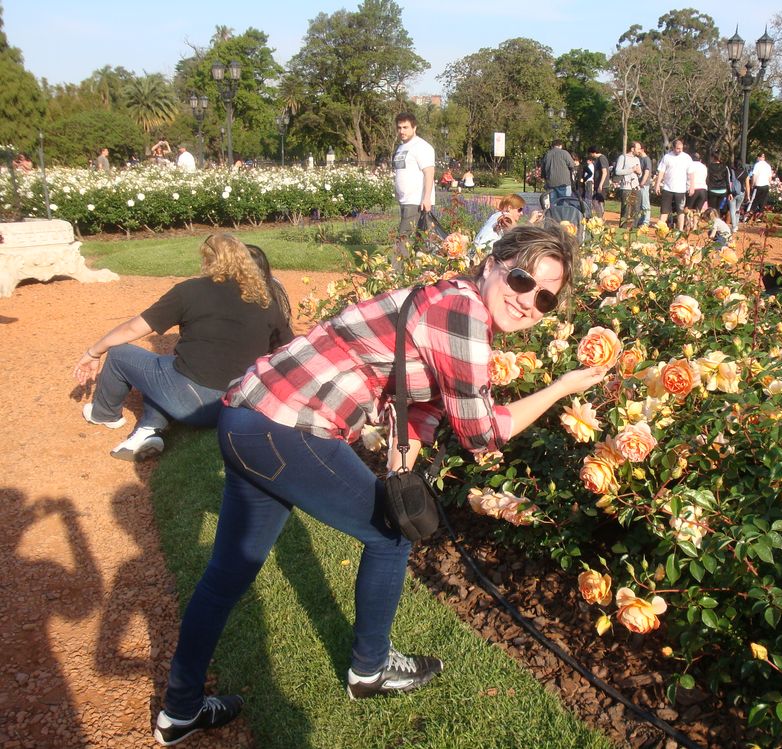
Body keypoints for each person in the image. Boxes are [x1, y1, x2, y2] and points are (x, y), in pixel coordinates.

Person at [152, 224, 608, 745]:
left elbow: (414, 399)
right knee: (390, 535)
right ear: (492, 265)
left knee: (229, 573)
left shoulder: (443, 296)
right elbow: (482, 434)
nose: (529, 301)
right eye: (523, 280)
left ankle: (180, 709)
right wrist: (561, 388)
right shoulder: (464, 314)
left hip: (248, 418)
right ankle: (369, 670)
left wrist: (403, 458)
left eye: (546, 297)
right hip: (285, 427)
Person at [74, 234, 293, 462]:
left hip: (194, 402)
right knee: (166, 370)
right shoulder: (265, 297)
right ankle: (149, 429)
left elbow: (132, 329)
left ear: (208, 259)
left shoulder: (189, 291)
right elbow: (286, 349)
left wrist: (93, 351)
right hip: (238, 404)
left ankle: (104, 414)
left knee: (121, 354)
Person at [392, 112, 435, 269]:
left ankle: (396, 275)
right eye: (399, 128)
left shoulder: (421, 147)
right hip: (405, 200)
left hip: (417, 201)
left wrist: (427, 198)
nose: (402, 131)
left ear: (414, 127)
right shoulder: (401, 147)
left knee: (403, 239)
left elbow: (429, 172)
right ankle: (421, 273)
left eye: (405, 127)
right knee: (420, 241)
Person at [473, 194, 543, 250]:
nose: (521, 213)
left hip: (476, 250)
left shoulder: (496, 215)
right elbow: (519, 235)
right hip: (483, 252)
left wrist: (535, 223)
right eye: (519, 209)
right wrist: (531, 221)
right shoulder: (506, 216)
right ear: (509, 208)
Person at [654, 138, 693, 231]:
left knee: (681, 212)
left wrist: (692, 186)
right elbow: (661, 172)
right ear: (673, 148)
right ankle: (660, 229)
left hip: (681, 189)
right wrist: (657, 184)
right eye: (678, 148)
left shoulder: (687, 158)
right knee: (664, 210)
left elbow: (691, 173)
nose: (679, 150)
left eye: (681, 148)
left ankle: (680, 231)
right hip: (668, 188)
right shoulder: (667, 157)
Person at [614, 141, 642, 229]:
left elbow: (640, 173)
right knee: (625, 210)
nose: (640, 151)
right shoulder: (623, 157)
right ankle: (622, 229)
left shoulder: (637, 159)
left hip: (635, 186)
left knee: (636, 209)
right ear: (632, 149)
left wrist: (638, 172)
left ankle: (633, 229)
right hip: (626, 187)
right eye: (638, 149)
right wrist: (631, 170)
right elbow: (617, 171)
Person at [540, 140, 576, 206]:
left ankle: (554, 216)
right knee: (565, 203)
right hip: (564, 182)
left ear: (552, 146)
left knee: (553, 204)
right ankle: (563, 216)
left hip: (551, 183)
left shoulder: (547, 154)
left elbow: (543, 170)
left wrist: (545, 180)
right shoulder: (564, 153)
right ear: (560, 145)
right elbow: (572, 165)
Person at [686, 152, 708, 231]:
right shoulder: (704, 167)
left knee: (688, 209)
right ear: (700, 160)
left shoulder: (690, 165)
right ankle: (695, 226)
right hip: (703, 189)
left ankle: (688, 224)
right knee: (698, 209)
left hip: (693, 188)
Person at [748, 152, 773, 219]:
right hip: (766, 185)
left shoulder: (757, 165)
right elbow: (770, 177)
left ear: (758, 157)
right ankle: (760, 215)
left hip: (758, 185)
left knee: (755, 200)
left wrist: (752, 184)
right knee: (763, 201)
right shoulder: (768, 166)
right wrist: (769, 184)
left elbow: (754, 175)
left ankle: (750, 214)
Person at [587, 146, 609, 218]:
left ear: (593, 153)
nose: (590, 156)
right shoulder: (597, 159)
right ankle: (600, 217)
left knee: (597, 201)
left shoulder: (602, 158)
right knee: (597, 201)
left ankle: (600, 217)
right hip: (598, 184)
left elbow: (604, 172)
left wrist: (600, 185)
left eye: (590, 154)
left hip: (602, 184)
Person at [636, 144, 653, 227]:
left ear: (642, 150)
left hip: (644, 185)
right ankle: (641, 220)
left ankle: (646, 222)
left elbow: (647, 172)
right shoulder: (639, 159)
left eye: (639, 149)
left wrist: (642, 182)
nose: (637, 151)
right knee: (640, 204)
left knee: (645, 204)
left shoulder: (646, 159)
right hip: (639, 184)